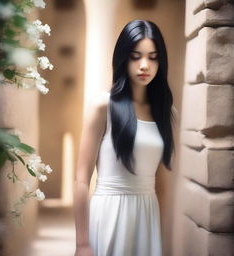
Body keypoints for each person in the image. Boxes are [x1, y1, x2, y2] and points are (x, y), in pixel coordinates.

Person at [74, 19, 176, 256]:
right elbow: (81, 179)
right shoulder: (103, 106)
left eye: (153, 57)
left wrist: (161, 237)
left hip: (147, 215)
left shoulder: (166, 112)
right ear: (123, 58)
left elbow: (161, 182)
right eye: (135, 56)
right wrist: (82, 243)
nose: (144, 65)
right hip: (110, 212)